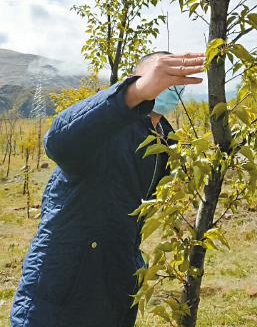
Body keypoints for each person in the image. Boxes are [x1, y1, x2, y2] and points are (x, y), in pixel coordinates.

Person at [11, 50, 205, 327]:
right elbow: (58, 141)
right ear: (135, 79)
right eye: (161, 75)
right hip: (60, 289)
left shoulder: (166, 144)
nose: (168, 85)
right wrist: (134, 93)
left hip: (115, 286)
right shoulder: (107, 124)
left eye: (176, 79)